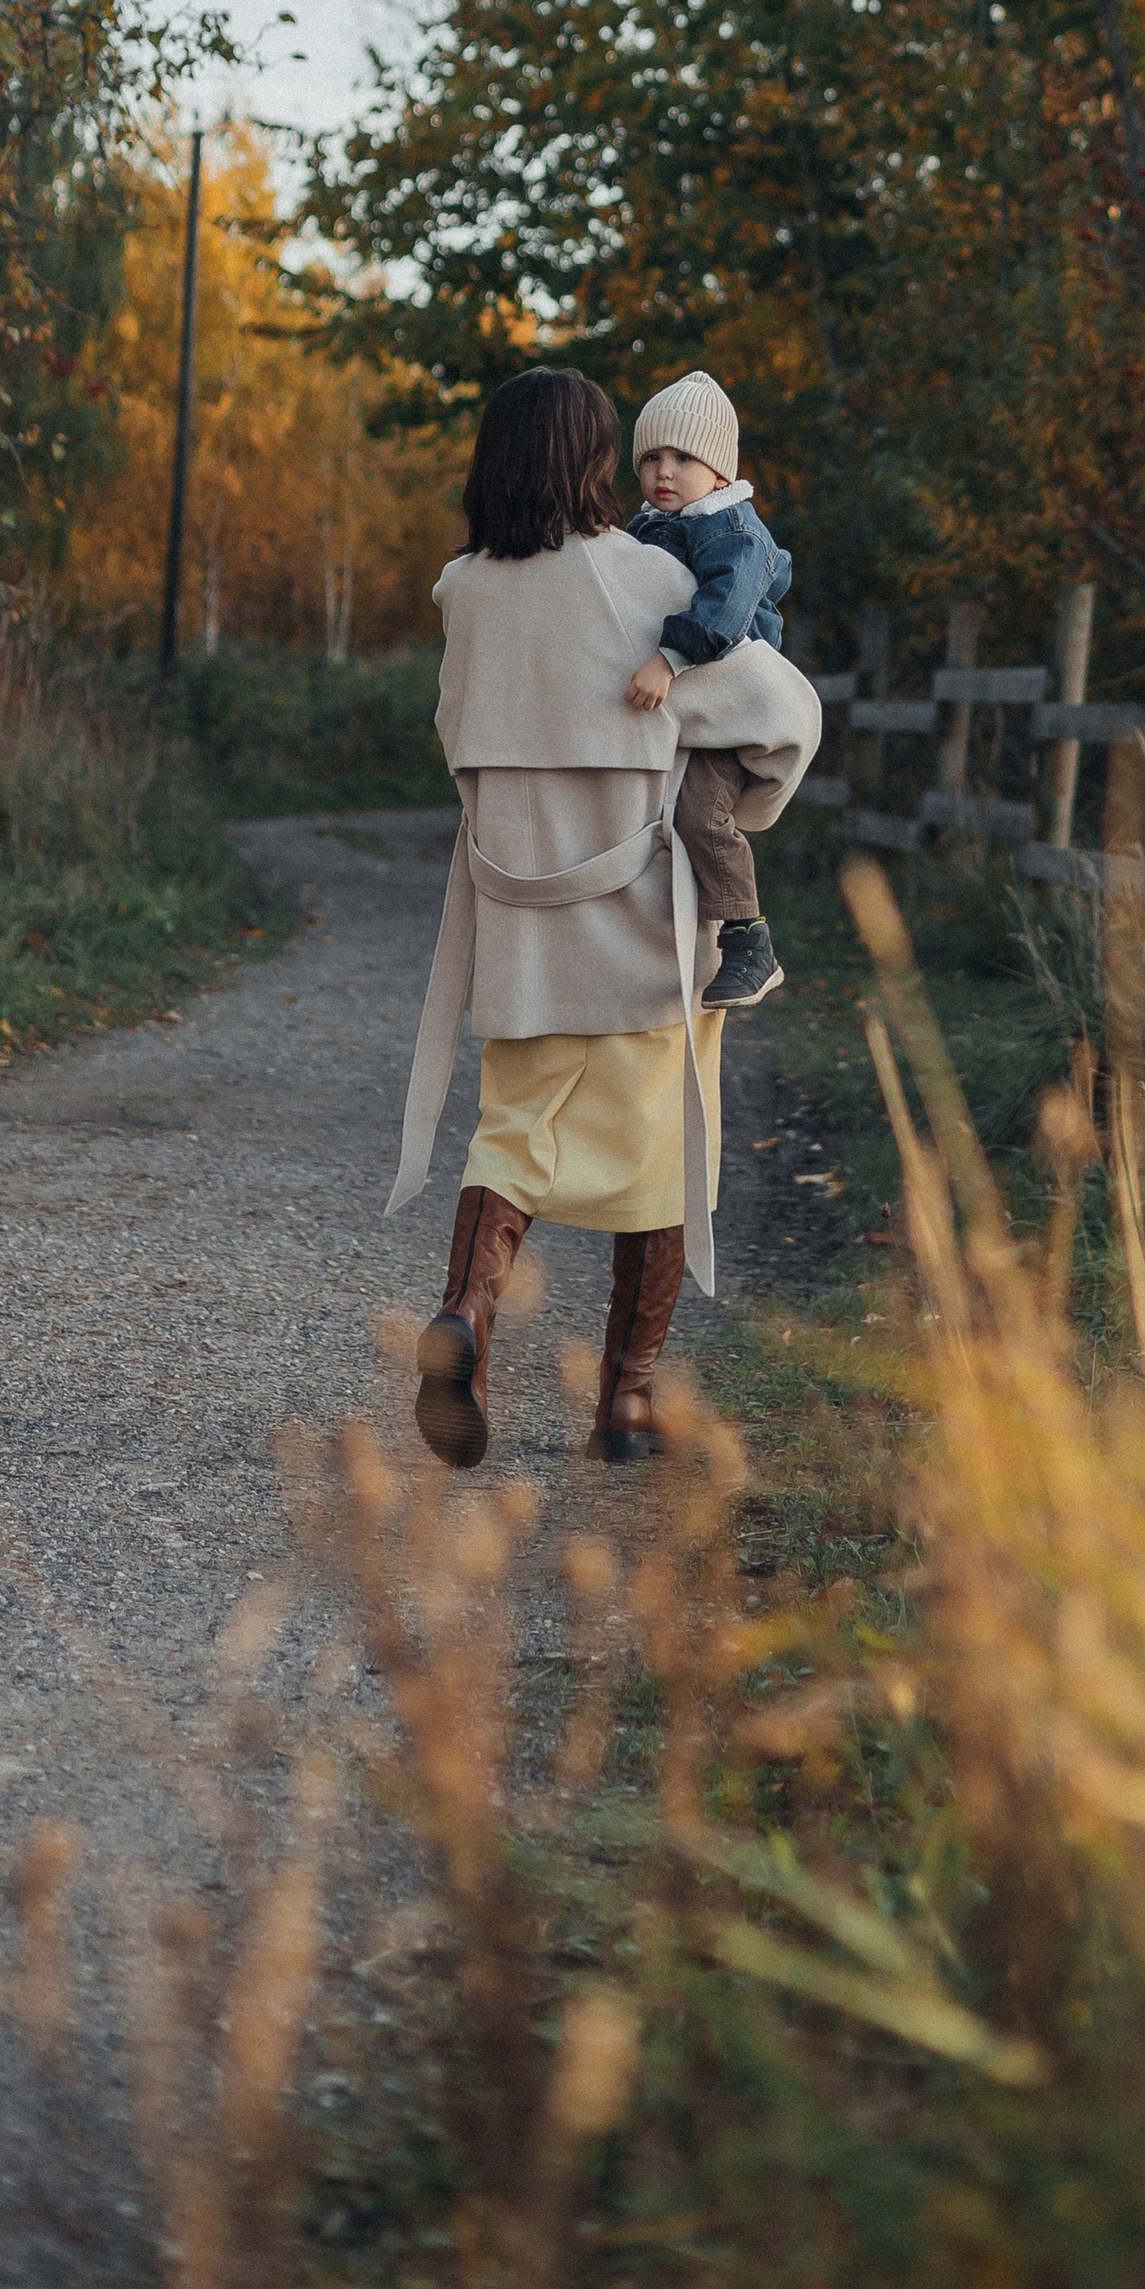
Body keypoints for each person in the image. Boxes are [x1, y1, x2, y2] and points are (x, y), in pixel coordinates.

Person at [387, 366, 819, 1471]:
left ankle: (466, 1317)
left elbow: (454, 734)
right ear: (593, 461)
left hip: (519, 924)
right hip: (644, 926)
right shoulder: (653, 583)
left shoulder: (462, 592)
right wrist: (742, 807)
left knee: (513, 1135)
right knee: (661, 1150)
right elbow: (780, 717)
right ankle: (625, 1403)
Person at [621, 369, 793, 1011]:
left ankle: (750, 937)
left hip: (728, 714)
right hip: (685, 715)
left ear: (720, 473)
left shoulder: (732, 531)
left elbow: (725, 609)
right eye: (651, 458)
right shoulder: (649, 526)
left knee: (700, 814)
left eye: (683, 459)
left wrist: (669, 659)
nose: (664, 472)